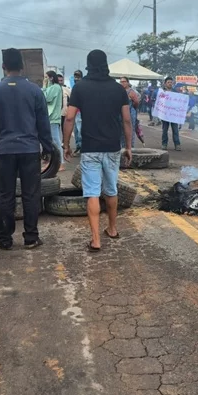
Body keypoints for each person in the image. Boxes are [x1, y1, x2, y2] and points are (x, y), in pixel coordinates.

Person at [64, 50, 132, 251]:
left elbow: (69, 118)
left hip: (90, 148)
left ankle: (95, 240)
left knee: (92, 192)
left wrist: (66, 144)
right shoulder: (118, 89)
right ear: (106, 65)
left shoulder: (80, 87)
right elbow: (127, 120)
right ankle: (112, 229)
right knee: (111, 189)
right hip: (112, 147)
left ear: (88, 65)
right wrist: (128, 147)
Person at [0, 48, 53, 250]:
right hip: (29, 149)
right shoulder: (35, 90)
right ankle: (31, 237)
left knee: (4, 195)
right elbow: (43, 122)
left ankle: (5, 239)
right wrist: (47, 146)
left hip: (4, 150)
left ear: (3, 66)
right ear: (22, 66)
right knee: (31, 194)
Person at [43, 70, 65, 171]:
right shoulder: (52, 87)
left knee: (56, 141)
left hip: (53, 117)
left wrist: (44, 86)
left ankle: (61, 163)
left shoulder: (55, 87)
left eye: (46, 77)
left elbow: (46, 97)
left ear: (51, 78)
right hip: (49, 117)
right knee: (51, 141)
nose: (45, 79)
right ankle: (52, 162)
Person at [160, 77, 181, 151]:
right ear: (165, 83)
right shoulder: (162, 91)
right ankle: (164, 144)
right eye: (168, 82)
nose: (170, 84)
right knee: (165, 129)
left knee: (175, 130)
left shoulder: (176, 92)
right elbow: (159, 101)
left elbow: (179, 102)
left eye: (171, 82)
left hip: (173, 114)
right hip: (165, 113)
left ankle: (177, 144)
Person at [119, 77, 139, 148]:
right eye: (121, 82)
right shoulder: (118, 91)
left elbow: (136, 102)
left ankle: (130, 147)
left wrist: (133, 108)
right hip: (120, 114)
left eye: (124, 81)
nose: (122, 83)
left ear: (128, 82)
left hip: (130, 113)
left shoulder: (131, 92)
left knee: (130, 130)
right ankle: (122, 147)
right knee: (121, 131)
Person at [72, 70, 83, 154]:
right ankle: (78, 146)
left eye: (78, 76)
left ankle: (82, 147)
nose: (76, 78)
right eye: (75, 76)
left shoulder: (82, 87)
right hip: (75, 112)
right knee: (76, 131)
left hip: (80, 112)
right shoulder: (74, 87)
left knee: (80, 131)